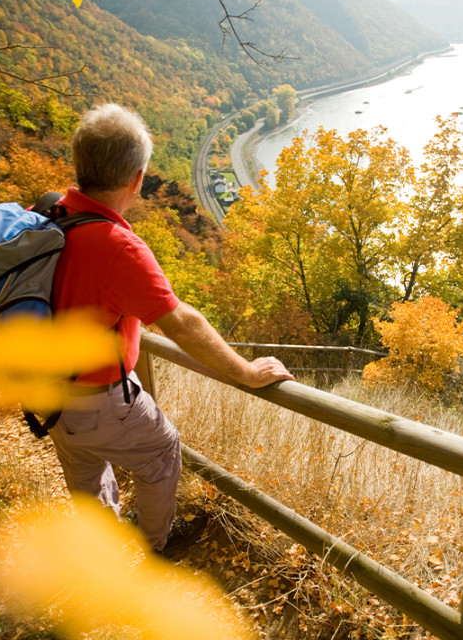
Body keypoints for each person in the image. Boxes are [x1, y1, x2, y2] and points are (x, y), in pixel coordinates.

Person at [48, 103, 294, 555]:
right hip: (99, 396)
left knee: (84, 470)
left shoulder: (46, 216)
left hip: (45, 389)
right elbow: (180, 322)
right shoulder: (118, 247)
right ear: (137, 179)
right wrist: (246, 372)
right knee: (161, 454)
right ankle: (152, 548)